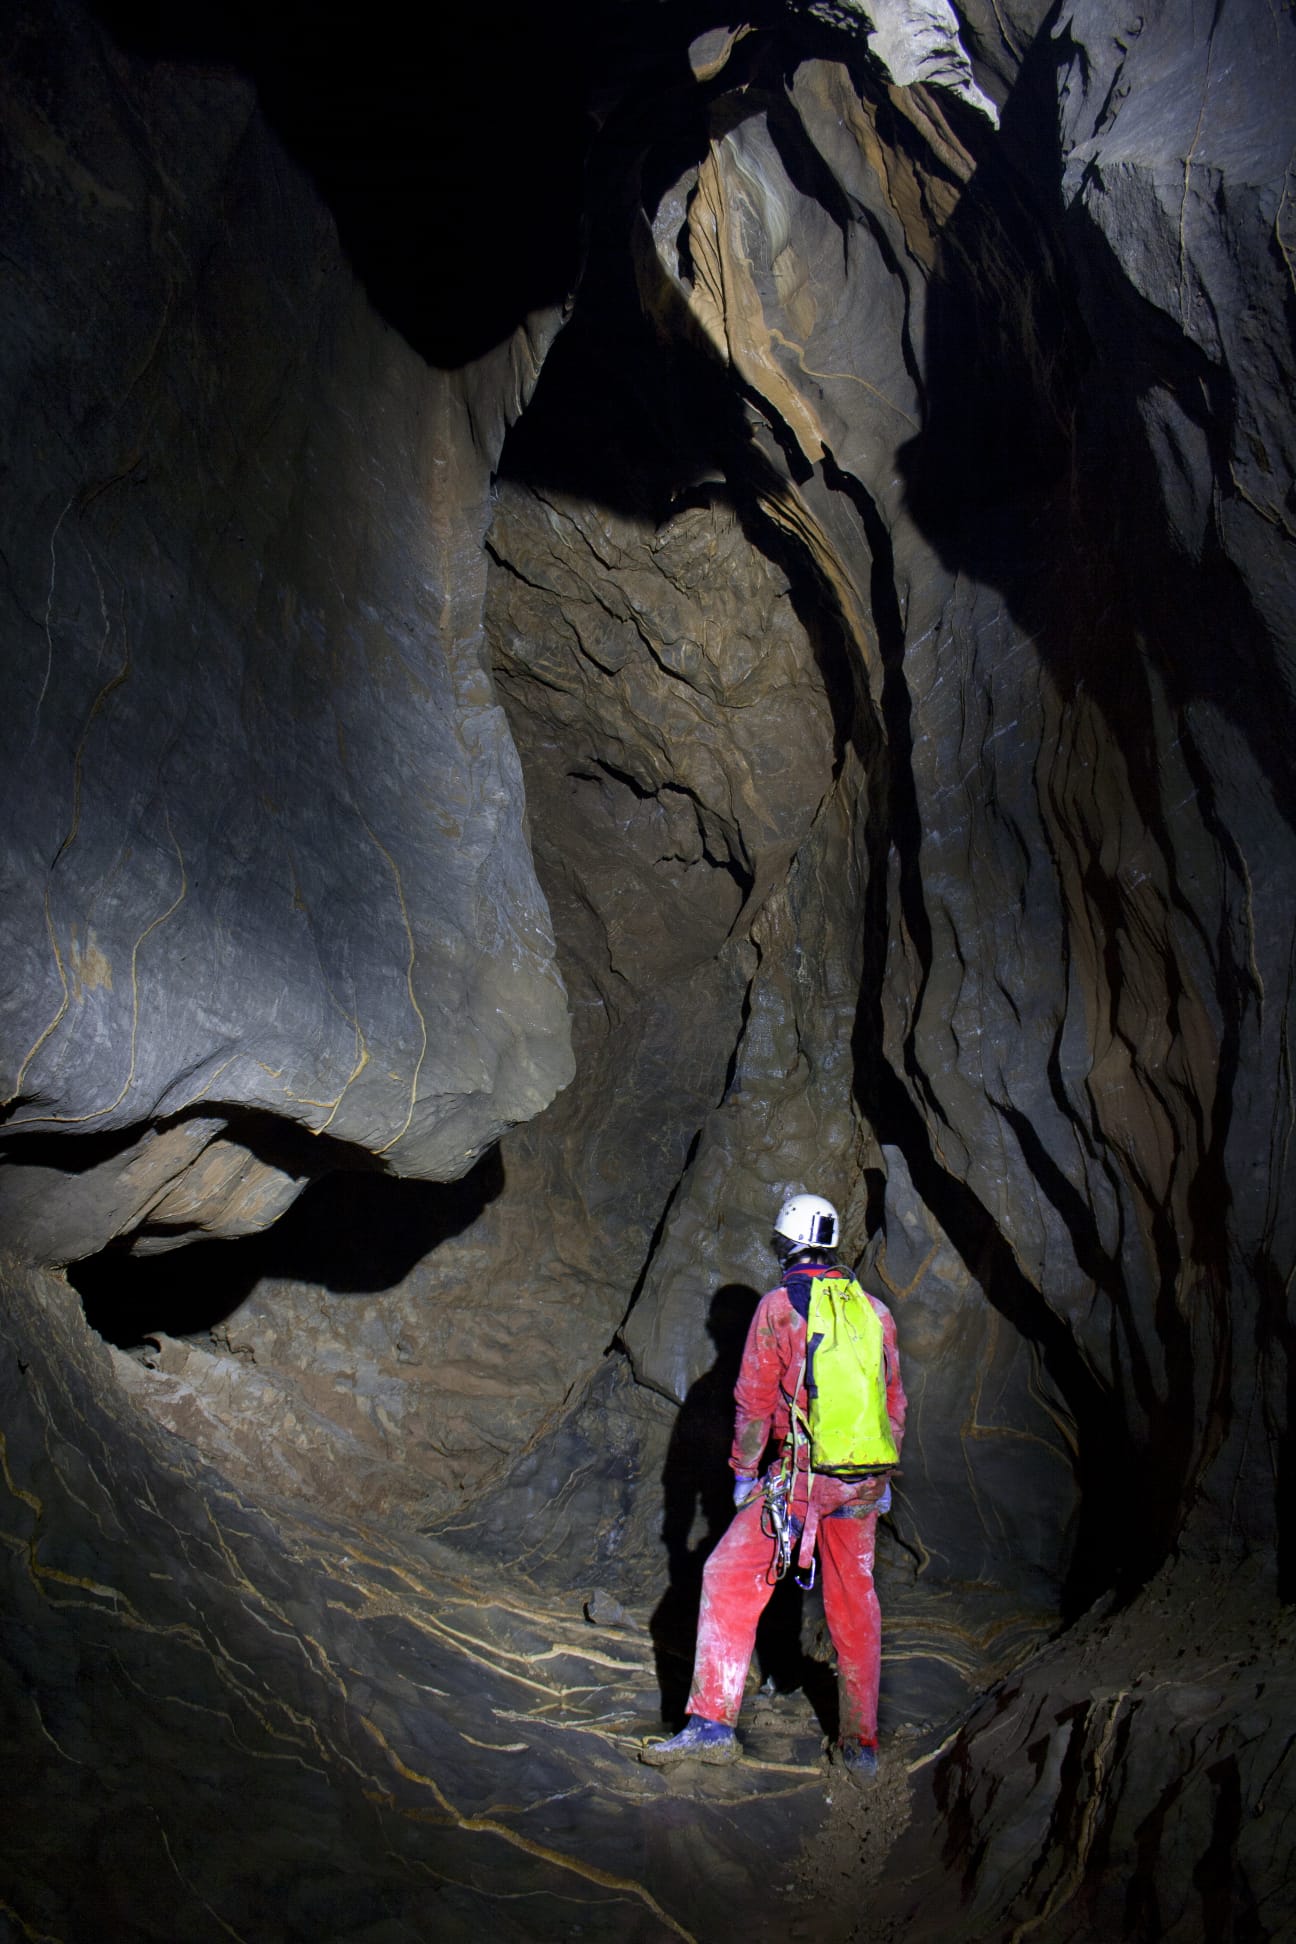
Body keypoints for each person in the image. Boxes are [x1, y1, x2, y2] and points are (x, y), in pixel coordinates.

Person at [641, 1191, 906, 1783]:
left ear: (785, 1246)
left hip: (800, 1482)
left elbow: (755, 1403)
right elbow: (893, 1399)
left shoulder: (779, 1308)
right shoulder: (875, 1312)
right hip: (860, 1483)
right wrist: (881, 1479)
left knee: (728, 1576)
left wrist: (742, 1474)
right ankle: (860, 1746)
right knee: (855, 1600)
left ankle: (710, 1726)